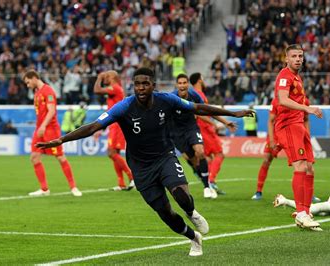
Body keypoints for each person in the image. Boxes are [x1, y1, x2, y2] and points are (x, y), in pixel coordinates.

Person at [36, 67, 254, 256]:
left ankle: (191, 213)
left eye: (145, 84)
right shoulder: (124, 107)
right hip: (140, 167)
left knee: (181, 194)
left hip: (165, 157)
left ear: (153, 85)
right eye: (137, 84)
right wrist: (62, 139)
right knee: (165, 213)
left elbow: (197, 108)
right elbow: (94, 126)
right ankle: (193, 237)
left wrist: (232, 113)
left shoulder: (166, 100)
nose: (140, 88)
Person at [274, 44, 323, 231]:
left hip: (299, 125)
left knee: (310, 168)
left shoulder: (297, 77)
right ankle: (301, 213)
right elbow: (283, 99)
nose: (298, 59)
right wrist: (307, 108)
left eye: (300, 56)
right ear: (286, 58)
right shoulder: (285, 75)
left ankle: (306, 211)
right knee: (300, 165)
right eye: (294, 56)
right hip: (288, 125)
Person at [23, 70, 82, 197]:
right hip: (40, 129)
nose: (27, 85)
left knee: (60, 157)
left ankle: (73, 187)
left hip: (50, 129)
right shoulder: (37, 92)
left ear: (33, 78)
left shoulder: (48, 91)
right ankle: (44, 189)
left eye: (28, 82)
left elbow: (51, 110)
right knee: (34, 157)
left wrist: (43, 125)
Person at [189, 73, 237, 195]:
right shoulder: (197, 94)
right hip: (204, 128)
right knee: (219, 154)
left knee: (209, 158)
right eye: (203, 78)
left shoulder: (198, 94)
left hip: (202, 128)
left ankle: (208, 183)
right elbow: (199, 113)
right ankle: (211, 181)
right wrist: (214, 124)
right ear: (199, 80)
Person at [171, 74, 216, 199]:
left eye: (184, 82)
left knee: (200, 152)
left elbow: (205, 109)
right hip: (177, 134)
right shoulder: (171, 98)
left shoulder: (194, 95)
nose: (182, 85)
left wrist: (222, 121)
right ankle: (205, 181)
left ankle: (207, 187)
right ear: (176, 85)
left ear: (188, 84)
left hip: (191, 128)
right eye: (180, 83)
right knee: (193, 161)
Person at [94, 70, 134, 191]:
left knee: (111, 153)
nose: (105, 77)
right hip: (114, 124)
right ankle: (121, 183)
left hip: (117, 125)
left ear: (113, 78)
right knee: (114, 153)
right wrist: (102, 128)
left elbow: (96, 90)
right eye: (104, 76)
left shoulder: (115, 87)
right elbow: (110, 112)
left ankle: (131, 176)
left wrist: (99, 77)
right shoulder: (116, 89)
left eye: (107, 76)